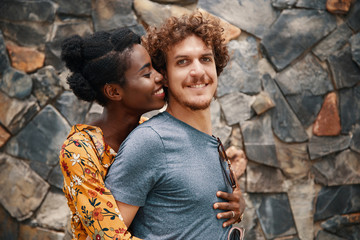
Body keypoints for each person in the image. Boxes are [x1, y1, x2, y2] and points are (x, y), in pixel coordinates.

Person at [59, 27, 245, 240]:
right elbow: (109, 236)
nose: (160, 77)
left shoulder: (147, 128)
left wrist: (239, 200)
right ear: (114, 92)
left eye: (157, 69)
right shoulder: (79, 149)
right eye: (147, 73)